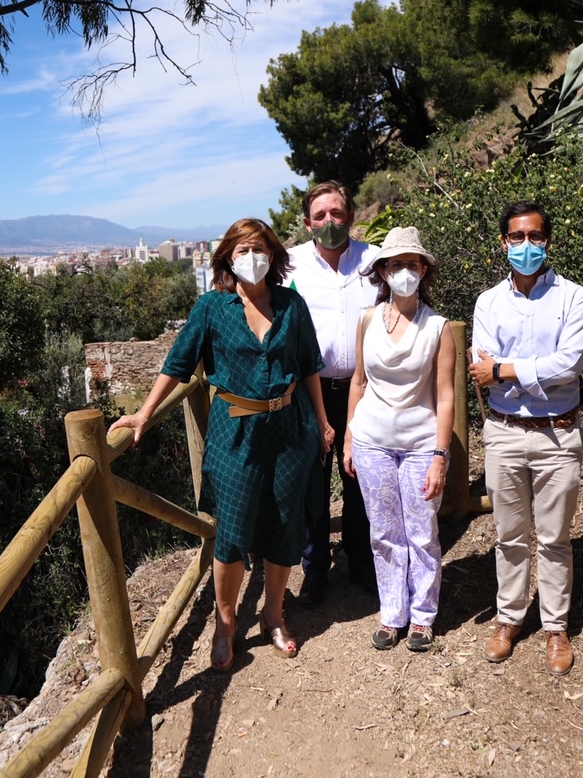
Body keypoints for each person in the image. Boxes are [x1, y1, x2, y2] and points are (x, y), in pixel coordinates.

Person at [109, 218, 333, 672]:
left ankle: (273, 614)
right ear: (228, 259)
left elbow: (309, 365)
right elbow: (178, 362)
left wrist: (323, 423)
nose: (252, 258)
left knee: (285, 523)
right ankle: (226, 621)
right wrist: (144, 414)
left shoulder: (292, 304)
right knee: (231, 532)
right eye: (242, 250)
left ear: (273, 254)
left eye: (260, 248)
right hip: (234, 433)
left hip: (290, 428)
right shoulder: (212, 307)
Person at [468, 200, 583, 675]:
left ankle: (556, 627)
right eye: (516, 238)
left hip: (557, 436)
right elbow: (482, 371)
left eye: (534, 237)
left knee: (555, 537)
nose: (526, 246)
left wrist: (506, 369)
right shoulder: (488, 302)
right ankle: (509, 618)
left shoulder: (574, 298)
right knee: (509, 535)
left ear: (548, 241)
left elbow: (570, 365)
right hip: (502, 433)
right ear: (504, 243)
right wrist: (506, 372)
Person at [343, 227, 455, 653]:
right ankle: (393, 613)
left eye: (412, 264)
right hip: (372, 440)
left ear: (423, 270)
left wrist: (440, 457)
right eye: (396, 264)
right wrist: (351, 438)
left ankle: (423, 616)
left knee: (422, 530)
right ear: (383, 272)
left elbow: (445, 397)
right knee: (384, 531)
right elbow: (358, 382)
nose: (404, 272)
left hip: (420, 443)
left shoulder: (439, 327)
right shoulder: (368, 320)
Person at [286, 181, 380, 606]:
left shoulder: (373, 262)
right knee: (312, 482)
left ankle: (361, 561)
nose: (329, 222)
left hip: (365, 388)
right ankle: (315, 569)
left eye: (337, 213)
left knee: (359, 474)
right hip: (311, 390)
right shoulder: (289, 267)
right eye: (320, 215)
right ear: (307, 223)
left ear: (351, 217)